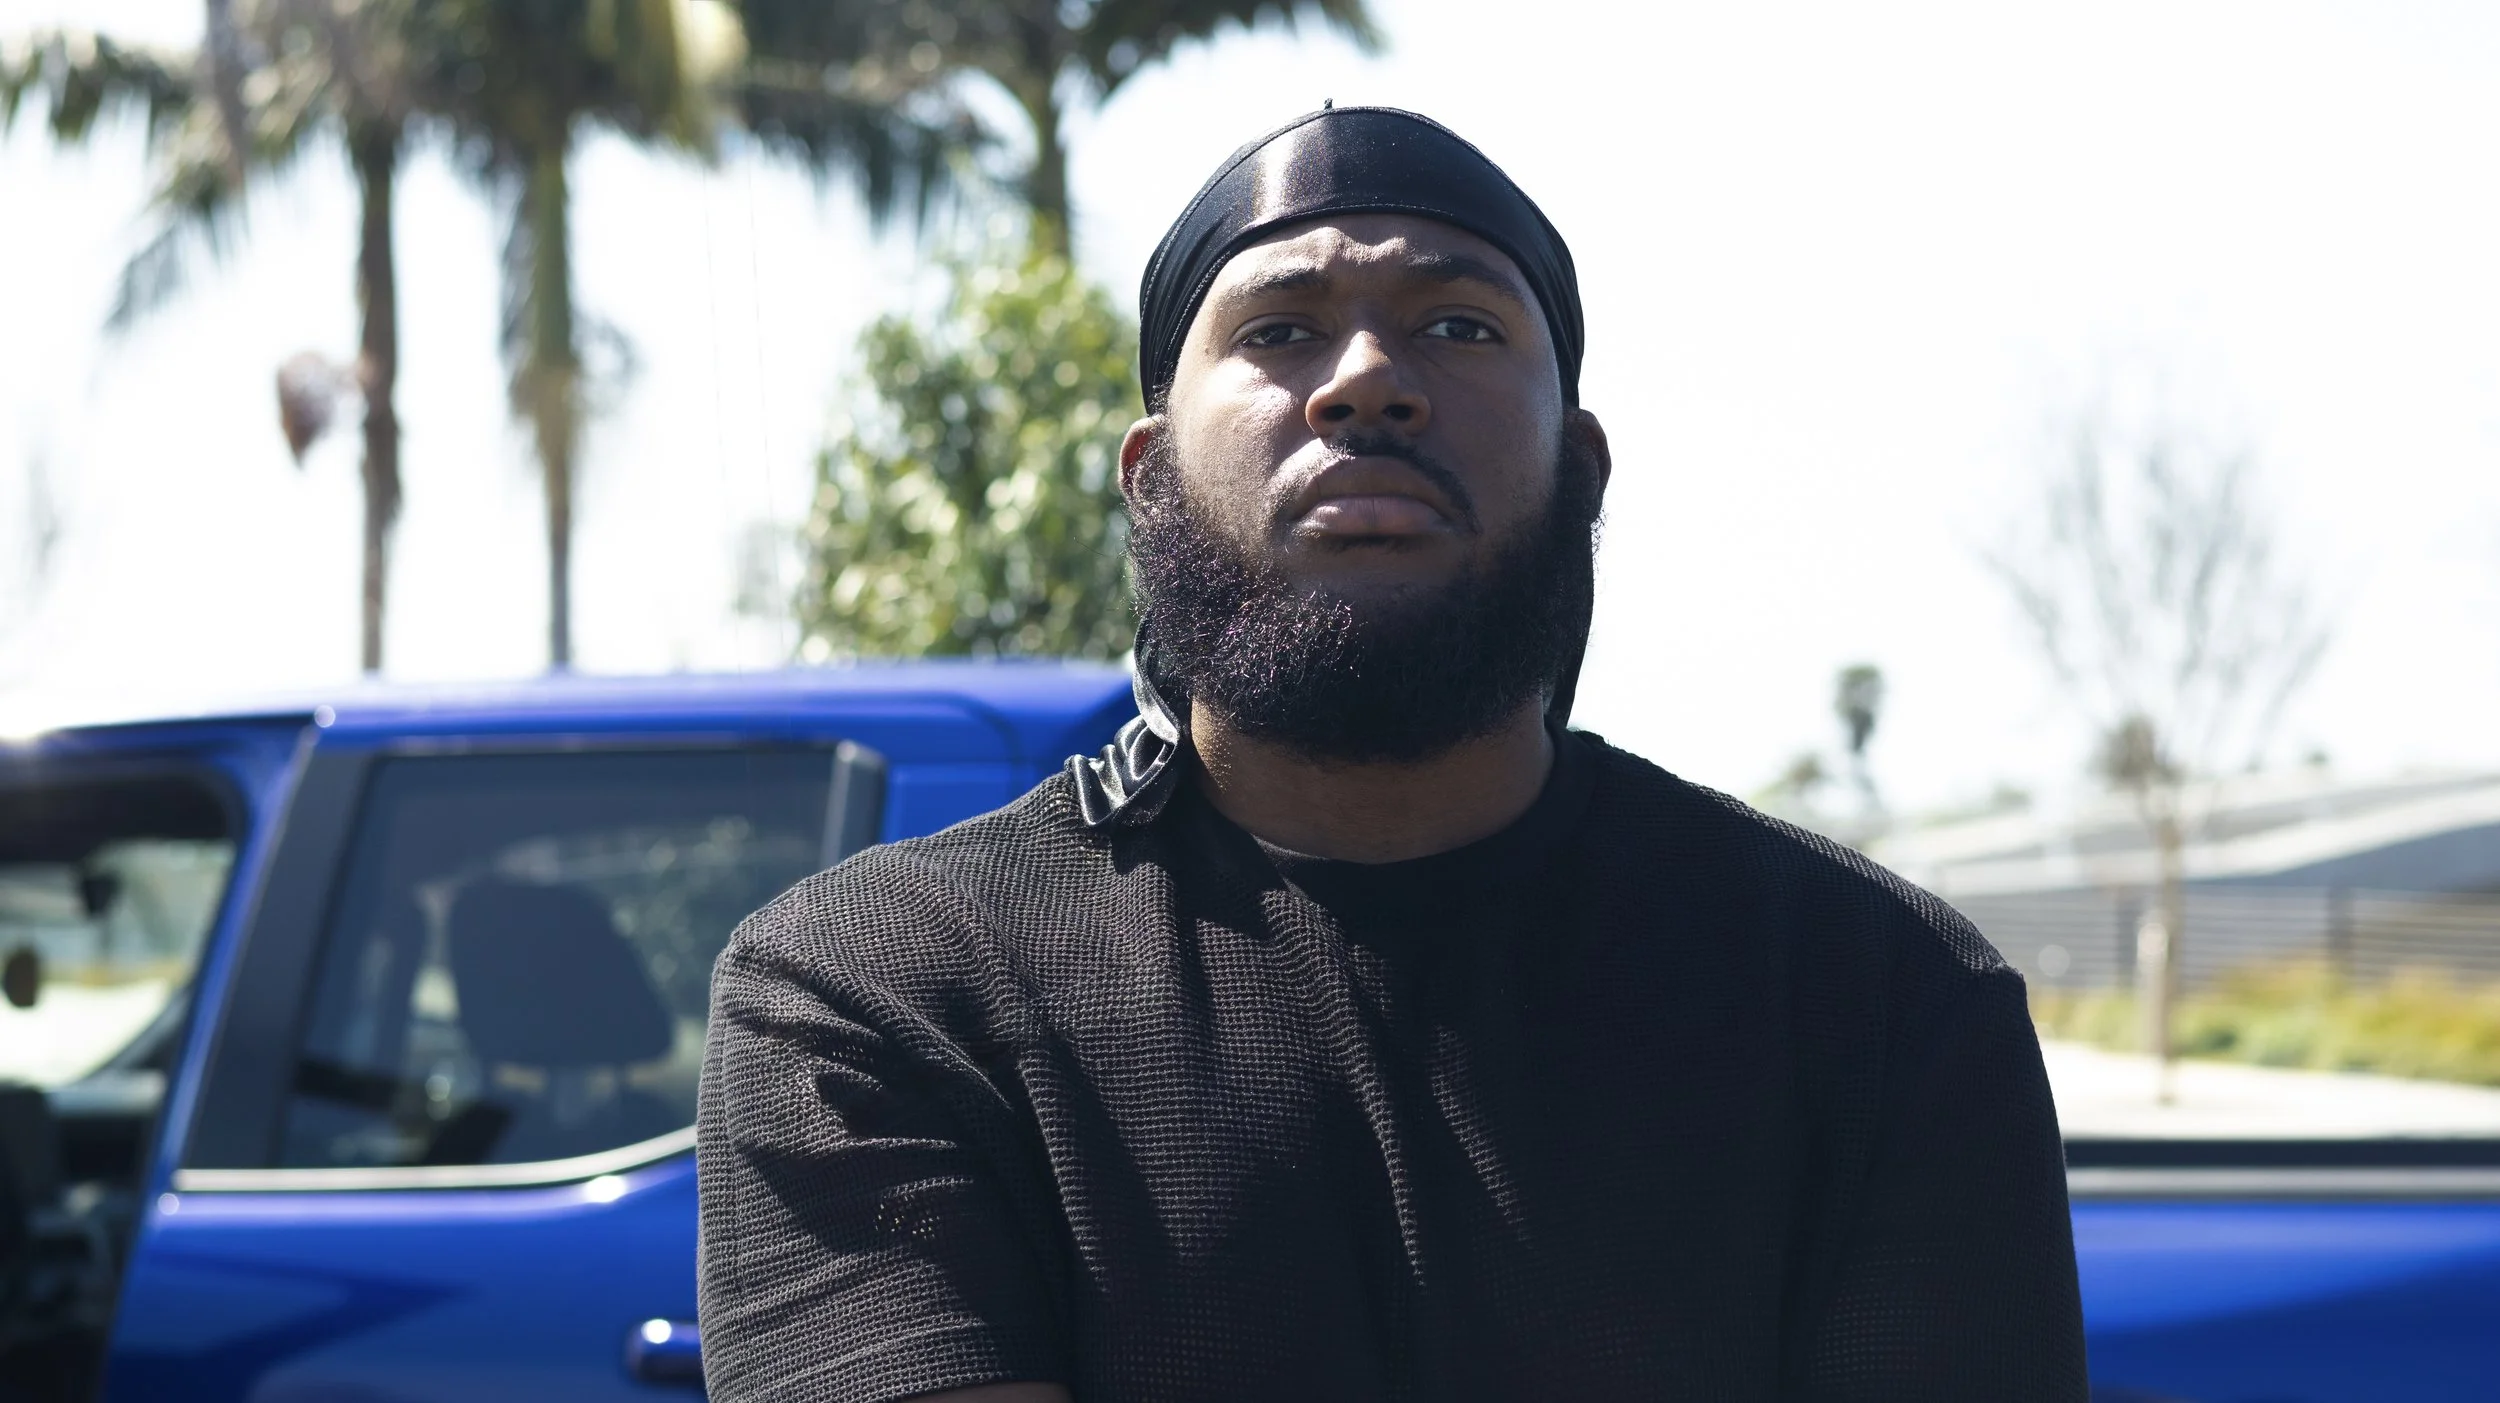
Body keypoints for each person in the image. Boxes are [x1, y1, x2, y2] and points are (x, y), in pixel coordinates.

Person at [697, 106, 2087, 1403]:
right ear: (1150, 476)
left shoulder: (1878, 994)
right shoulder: (878, 990)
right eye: (1282, 330)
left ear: (1582, 470)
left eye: (1461, 327)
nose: (1368, 382)